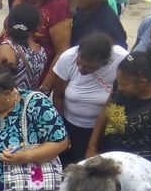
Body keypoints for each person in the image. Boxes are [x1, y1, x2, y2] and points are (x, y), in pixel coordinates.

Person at [86, 45, 151, 170]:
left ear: (143, 80)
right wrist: (92, 146)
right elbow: (105, 111)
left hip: (139, 167)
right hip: (109, 154)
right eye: (118, 82)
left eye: (123, 84)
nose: (119, 88)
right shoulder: (122, 80)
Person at [52, 33, 128, 167]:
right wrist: (61, 129)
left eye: (89, 67)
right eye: (79, 63)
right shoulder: (67, 58)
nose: (81, 69)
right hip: (70, 126)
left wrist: (94, 144)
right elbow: (58, 96)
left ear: (105, 63)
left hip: (103, 128)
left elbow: (118, 102)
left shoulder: (122, 60)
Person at [10, 0, 71, 93]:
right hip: (8, 67)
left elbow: (62, 52)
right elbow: (9, 26)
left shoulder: (58, 6)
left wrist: (44, 87)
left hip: (35, 74)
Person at [0, 2, 47, 91]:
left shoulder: (7, 48)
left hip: (9, 98)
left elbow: (2, 84)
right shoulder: (40, 51)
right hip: (28, 98)